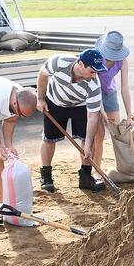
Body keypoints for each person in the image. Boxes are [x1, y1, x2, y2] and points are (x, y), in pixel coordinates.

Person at [36, 48, 107, 192]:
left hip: (80, 106)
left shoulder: (94, 85)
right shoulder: (58, 62)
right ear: (80, 64)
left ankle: (86, 177)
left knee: (88, 140)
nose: (95, 75)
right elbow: (43, 75)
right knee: (49, 139)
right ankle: (46, 175)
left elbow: (93, 116)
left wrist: (87, 145)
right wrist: (40, 99)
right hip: (55, 102)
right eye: (92, 71)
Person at [0, 77, 36, 228]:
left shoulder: (19, 97)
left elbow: (9, 121)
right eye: (20, 113)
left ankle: (2, 206)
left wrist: (8, 145)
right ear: (15, 103)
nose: (19, 116)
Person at [94, 31, 133, 171]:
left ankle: (123, 168)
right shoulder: (96, 58)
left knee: (118, 130)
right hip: (93, 93)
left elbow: (125, 88)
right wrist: (101, 111)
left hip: (110, 92)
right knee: (99, 133)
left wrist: (129, 116)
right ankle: (97, 170)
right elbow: (95, 87)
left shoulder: (122, 61)